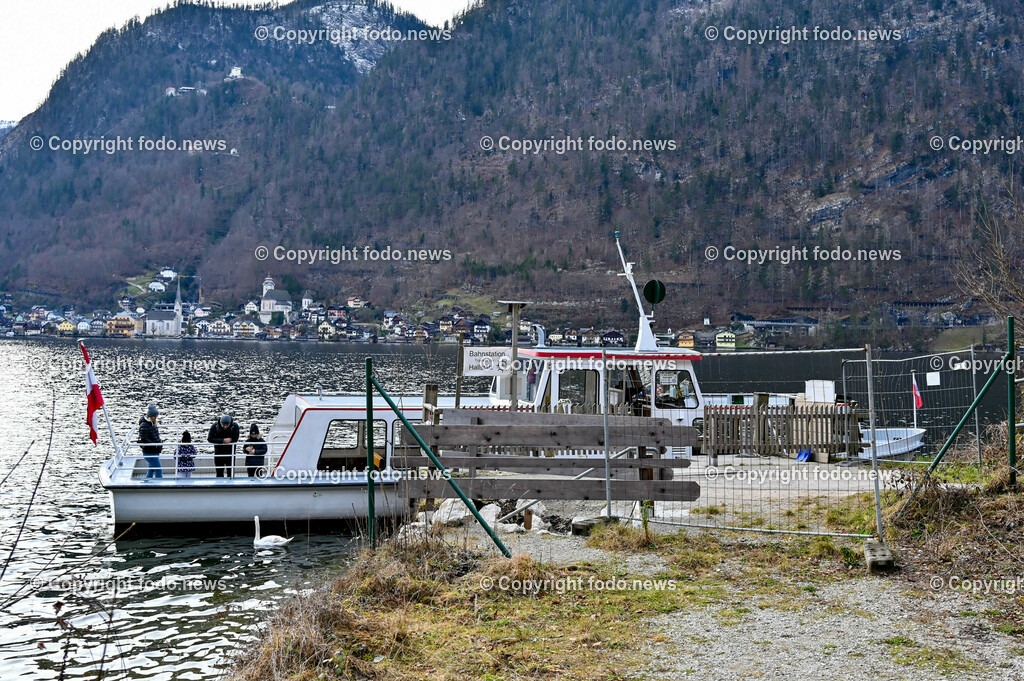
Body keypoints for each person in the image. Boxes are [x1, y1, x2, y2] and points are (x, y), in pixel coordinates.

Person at [208, 414, 240, 478]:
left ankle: (231, 484)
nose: (225, 427)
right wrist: (222, 440)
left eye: (227, 425)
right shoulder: (215, 426)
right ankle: (219, 485)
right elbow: (210, 438)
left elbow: (236, 438)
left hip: (230, 452)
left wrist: (230, 440)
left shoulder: (235, 426)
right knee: (219, 471)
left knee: (230, 471)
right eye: (223, 425)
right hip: (219, 451)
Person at [138, 404, 163, 479]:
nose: (155, 418)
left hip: (154, 451)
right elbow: (144, 439)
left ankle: (147, 483)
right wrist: (154, 444)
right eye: (154, 416)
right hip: (150, 452)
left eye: (156, 416)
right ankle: (159, 485)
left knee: (151, 470)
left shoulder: (151, 423)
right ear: (150, 416)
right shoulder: (144, 425)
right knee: (158, 470)